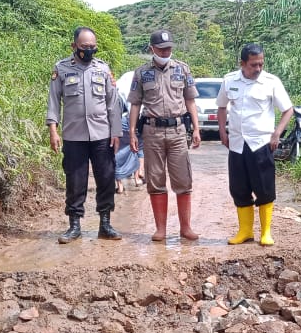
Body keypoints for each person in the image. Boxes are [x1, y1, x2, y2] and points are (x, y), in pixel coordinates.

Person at [46, 26, 123, 243]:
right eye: (84, 47)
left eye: (92, 47)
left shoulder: (103, 69)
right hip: (73, 135)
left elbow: (112, 104)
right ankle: (74, 226)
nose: (89, 51)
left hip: (102, 134)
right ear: (74, 46)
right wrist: (53, 130)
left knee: (106, 178)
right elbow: (53, 101)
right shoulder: (61, 69)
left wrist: (116, 132)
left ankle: (105, 224)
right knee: (75, 180)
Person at [216, 43, 294, 246]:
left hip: (261, 144)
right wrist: (222, 131)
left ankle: (265, 233)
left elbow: (288, 110)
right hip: (236, 144)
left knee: (265, 188)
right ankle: (245, 231)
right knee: (239, 189)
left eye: (261, 64)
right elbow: (222, 107)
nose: (258, 69)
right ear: (242, 63)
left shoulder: (271, 82)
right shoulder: (229, 80)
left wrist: (277, 133)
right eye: (253, 65)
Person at [127, 29, 201, 241]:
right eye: (161, 49)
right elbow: (135, 104)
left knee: (183, 180)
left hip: (178, 131)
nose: (166, 52)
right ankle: (161, 229)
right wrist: (132, 132)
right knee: (156, 180)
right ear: (152, 49)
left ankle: (185, 228)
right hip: (152, 132)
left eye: (169, 48)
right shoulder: (141, 73)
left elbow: (190, 101)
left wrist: (196, 128)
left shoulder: (183, 69)